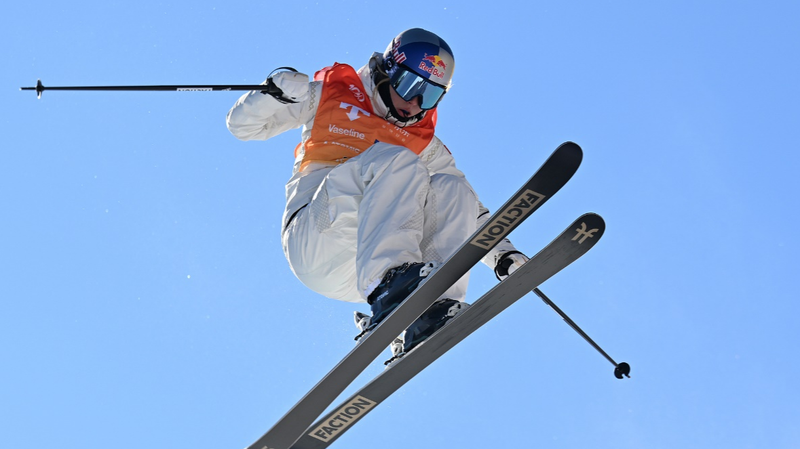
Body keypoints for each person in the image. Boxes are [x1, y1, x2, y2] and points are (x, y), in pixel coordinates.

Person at [226, 28, 528, 355]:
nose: (415, 104)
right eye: (411, 86)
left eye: (429, 96)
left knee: (451, 187)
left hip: (357, 270)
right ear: (389, 71)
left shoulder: (423, 141)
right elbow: (243, 126)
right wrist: (274, 95)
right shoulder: (331, 94)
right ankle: (391, 291)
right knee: (396, 159)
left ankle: (430, 313)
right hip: (316, 236)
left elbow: (470, 210)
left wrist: (502, 255)